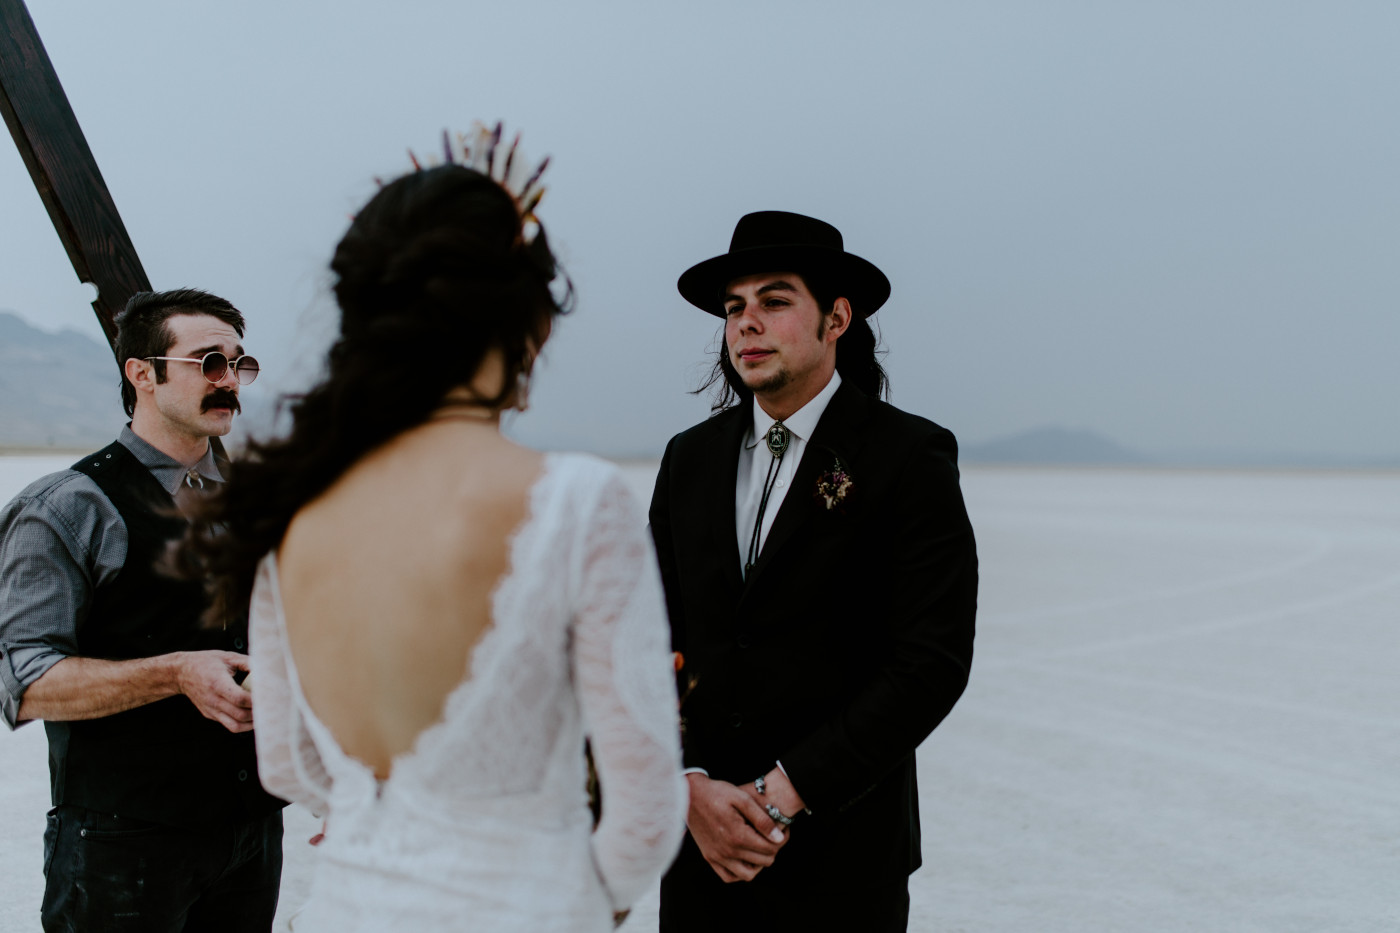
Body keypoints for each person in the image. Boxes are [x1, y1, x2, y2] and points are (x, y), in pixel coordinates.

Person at [184, 139, 686, 932]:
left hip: (344, 908)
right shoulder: (576, 501)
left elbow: (285, 764)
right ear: (524, 321)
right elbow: (649, 813)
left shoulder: (290, 510)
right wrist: (573, 899)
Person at [650, 211, 979, 932]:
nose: (746, 325)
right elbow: (651, 638)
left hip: (842, 858)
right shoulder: (689, 460)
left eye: (773, 301)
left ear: (837, 317)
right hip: (702, 853)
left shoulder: (907, 456)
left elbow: (931, 660)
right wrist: (690, 783)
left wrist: (780, 795)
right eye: (734, 308)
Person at [0, 288, 286, 932]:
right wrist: (175, 672)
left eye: (239, 363)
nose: (229, 381)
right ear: (143, 374)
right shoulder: (65, 507)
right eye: (207, 362)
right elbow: (23, 681)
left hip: (252, 835)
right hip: (118, 847)